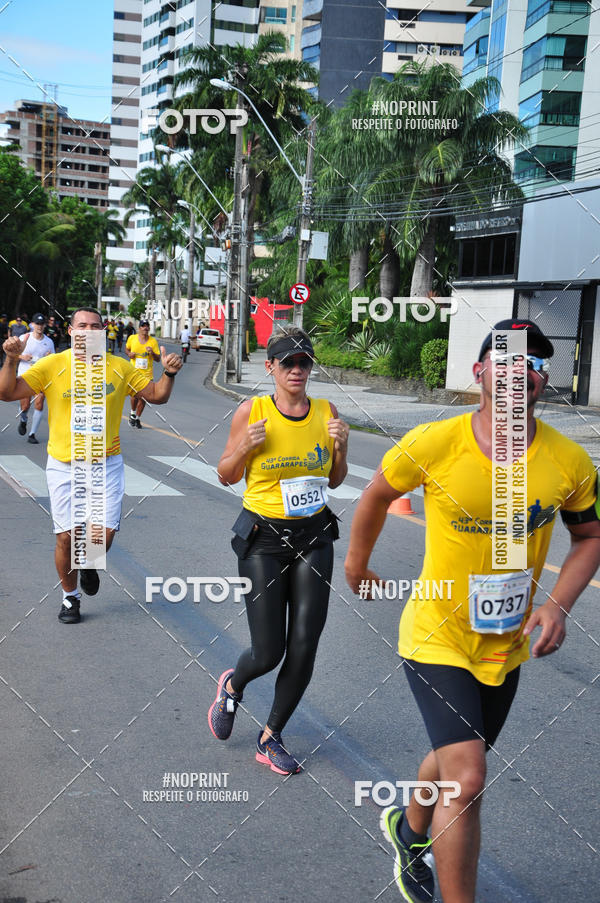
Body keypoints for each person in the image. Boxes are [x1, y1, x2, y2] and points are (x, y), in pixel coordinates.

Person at [345, 319, 600, 903]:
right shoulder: (436, 443)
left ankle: (409, 830)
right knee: (467, 778)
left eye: (534, 365)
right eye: (508, 361)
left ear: (542, 383)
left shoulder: (569, 461)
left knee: (458, 754)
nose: (522, 374)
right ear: (481, 372)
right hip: (435, 630)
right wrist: (357, 565)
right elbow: (377, 494)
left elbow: (589, 537)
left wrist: (559, 604)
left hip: (504, 644)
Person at [208, 325, 349, 775]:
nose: (296, 369)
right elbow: (225, 474)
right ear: (269, 367)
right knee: (268, 651)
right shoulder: (252, 411)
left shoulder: (327, 412)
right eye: (287, 362)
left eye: (304, 362)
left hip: (313, 536)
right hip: (263, 541)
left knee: (305, 643)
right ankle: (234, 683)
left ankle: (271, 736)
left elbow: (335, 480)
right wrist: (244, 448)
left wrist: (341, 449)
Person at [0, 306, 183, 624]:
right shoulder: (53, 365)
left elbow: (155, 395)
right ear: (71, 332)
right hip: (64, 464)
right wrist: (12, 358)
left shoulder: (119, 367)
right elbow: (7, 392)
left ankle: (88, 563)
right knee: (66, 537)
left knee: (103, 536)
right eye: (82, 326)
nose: (89, 331)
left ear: (103, 332)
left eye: (96, 326)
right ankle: (70, 598)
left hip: (106, 464)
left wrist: (168, 373)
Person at [16, 313, 54, 443]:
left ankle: (32, 434)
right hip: (25, 376)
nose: (39, 326)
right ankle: (23, 419)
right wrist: (22, 357)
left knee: (39, 402)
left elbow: (53, 360)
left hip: (40, 377)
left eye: (42, 324)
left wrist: (50, 358)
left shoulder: (49, 342)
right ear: (32, 324)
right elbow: (12, 354)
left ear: (45, 325)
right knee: (25, 405)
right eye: (37, 324)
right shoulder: (24, 338)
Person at [125, 319, 161, 429]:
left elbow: (158, 359)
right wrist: (129, 354)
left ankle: (137, 418)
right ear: (139, 328)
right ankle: (132, 413)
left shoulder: (153, 342)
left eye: (147, 326)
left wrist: (152, 353)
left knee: (144, 398)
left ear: (149, 328)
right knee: (134, 396)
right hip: (134, 372)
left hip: (147, 374)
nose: (145, 328)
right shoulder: (132, 338)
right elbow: (127, 349)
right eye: (143, 326)